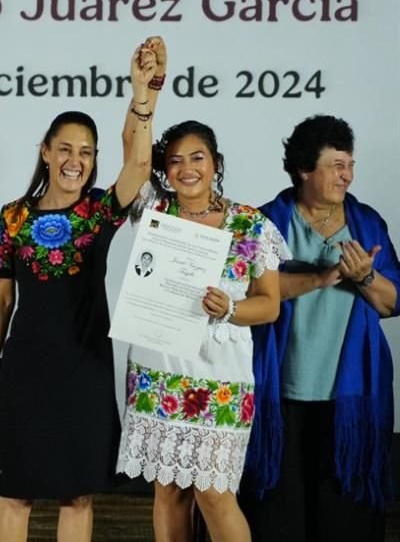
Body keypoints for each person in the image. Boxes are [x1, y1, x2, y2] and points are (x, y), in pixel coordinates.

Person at [0, 37, 165, 542]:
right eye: (64, 148)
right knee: (15, 491)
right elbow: (2, 300)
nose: (74, 159)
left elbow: (141, 167)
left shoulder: (101, 209)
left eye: (86, 151)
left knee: (77, 494)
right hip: (25, 369)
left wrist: (143, 96)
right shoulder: (13, 216)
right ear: (45, 151)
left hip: (84, 367)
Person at [115, 120, 285, 542]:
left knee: (214, 495)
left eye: (197, 158)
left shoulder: (250, 224)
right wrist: (144, 90)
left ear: (216, 163)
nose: (186, 168)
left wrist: (230, 308)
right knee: (169, 491)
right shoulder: (153, 208)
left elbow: (270, 306)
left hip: (222, 378)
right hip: (160, 373)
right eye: (174, 160)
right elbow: (131, 149)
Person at [241, 115, 400, 542]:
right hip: (280, 397)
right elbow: (250, 291)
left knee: (345, 518)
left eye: (350, 164)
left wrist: (365, 276)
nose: (346, 175)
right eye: (335, 165)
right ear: (304, 169)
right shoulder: (266, 223)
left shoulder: (367, 223)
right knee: (278, 520)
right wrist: (321, 277)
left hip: (349, 401)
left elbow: (392, 302)